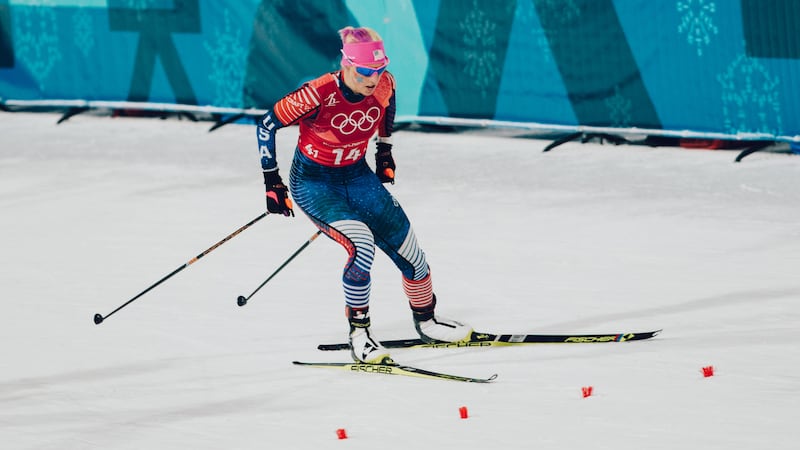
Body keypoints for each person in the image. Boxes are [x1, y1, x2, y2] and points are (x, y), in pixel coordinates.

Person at [255, 26, 471, 364]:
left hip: (357, 176)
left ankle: (427, 321)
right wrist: (272, 181)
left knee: (412, 255)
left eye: (380, 68)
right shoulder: (317, 93)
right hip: (315, 183)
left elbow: (387, 106)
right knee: (361, 246)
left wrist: (384, 151)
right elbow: (267, 125)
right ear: (347, 65)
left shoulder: (384, 84)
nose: (374, 78)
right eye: (366, 71)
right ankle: (360, 333)